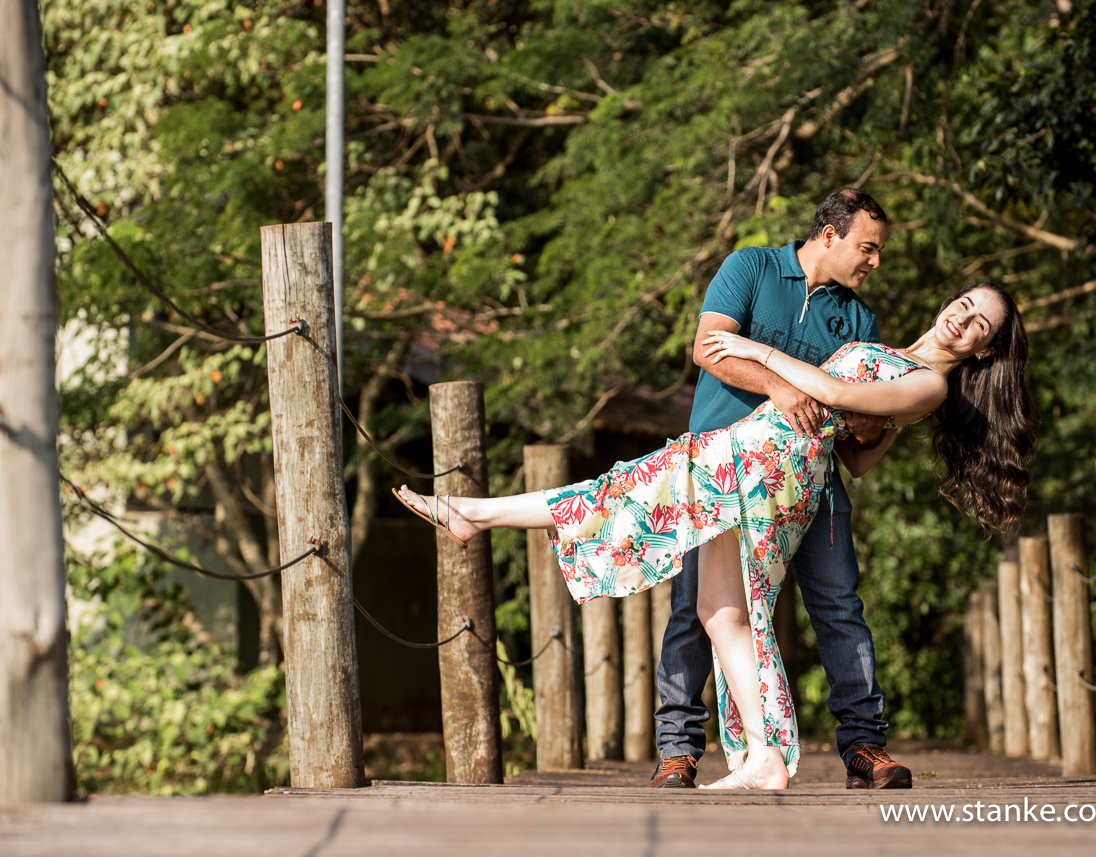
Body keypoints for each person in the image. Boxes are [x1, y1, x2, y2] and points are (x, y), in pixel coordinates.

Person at [393, 280, 1037, 791]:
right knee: (719, 606)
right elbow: (861, 458)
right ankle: (764, 756)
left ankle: (472, 514)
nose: (963, 318)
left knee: (628, 500)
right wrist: (854, 421)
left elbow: (836, 390)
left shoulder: (930, 384)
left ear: (983, 349)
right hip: (759, 452)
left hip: (770, 465)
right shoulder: (900, 360)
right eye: (965, 304)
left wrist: (759, 352)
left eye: (980, 323)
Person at [655, 187, 901, 792]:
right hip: (721, 473)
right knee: (694, 608)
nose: (874, 262)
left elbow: (857, 443)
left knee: (841, 606)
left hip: (811, 486)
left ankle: (865, 747)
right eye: (867, 248)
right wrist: (779, 388)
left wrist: (880, 420)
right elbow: (708, 346)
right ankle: (677, 751)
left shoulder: (858, 320)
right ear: (828, 235)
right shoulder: (751, 267)